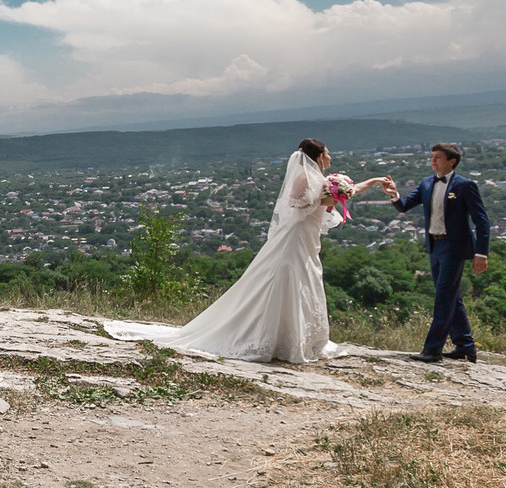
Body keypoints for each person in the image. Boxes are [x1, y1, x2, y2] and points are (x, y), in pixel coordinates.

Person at [103, 138, 395, 364]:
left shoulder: (322, 181)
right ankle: (278, 340)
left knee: (307, 282)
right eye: (328, 153)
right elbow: (296, 205)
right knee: (290, 279)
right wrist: (324, 199)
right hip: (294, 239)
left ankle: (301, 340)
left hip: (307, 240)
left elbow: (348, 191)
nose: (331, 157)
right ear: (319, 157)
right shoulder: (305, 179)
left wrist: (373, 182)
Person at [394, 141, 488, 364]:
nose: (433, 160)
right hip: (434, 247)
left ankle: (433, 349)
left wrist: (481, 253)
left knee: (443, 299)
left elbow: (481, 221)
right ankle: (465, 347)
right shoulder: (427, 183)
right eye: (432, 156)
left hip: (454, 248)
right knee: (452, 298)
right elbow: (404, 206)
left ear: (451, 161)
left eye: (438, 157)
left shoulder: (465, 185)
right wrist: (394, 195)